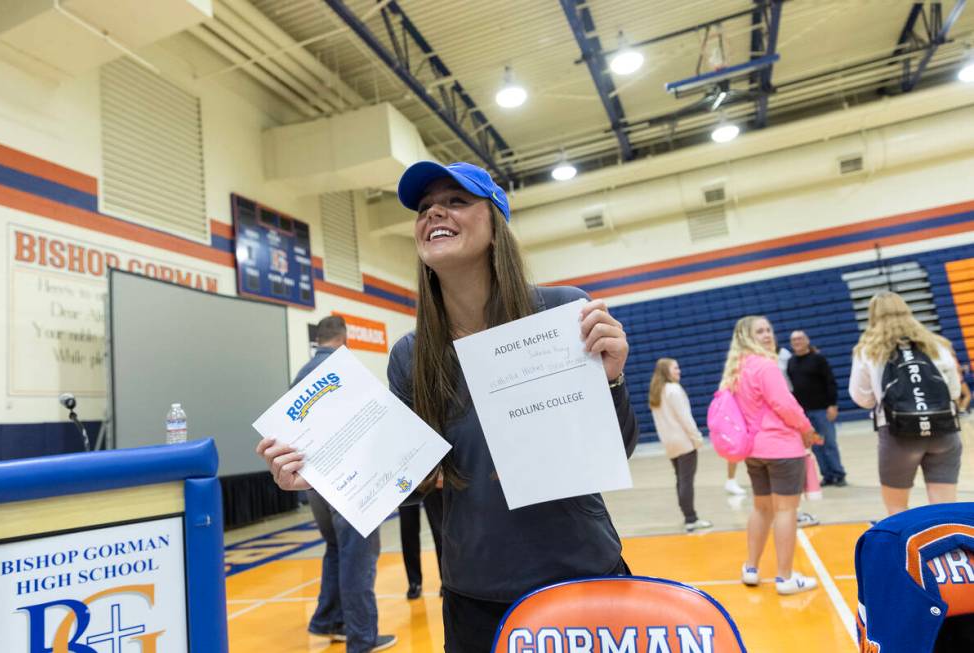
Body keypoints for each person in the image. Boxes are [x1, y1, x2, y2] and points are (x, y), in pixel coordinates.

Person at [257, 161, 639, 653]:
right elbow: (413, 484)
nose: (435, 210)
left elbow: (616, 449)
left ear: (496, 225)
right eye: (424, 207)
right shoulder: (411, 355)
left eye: (457, 200)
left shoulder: (564, 311)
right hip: (474, 595)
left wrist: (611, 380)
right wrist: (329, 474)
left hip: (582, 578)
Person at [288, 316, 396, 653]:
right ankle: (361, 638)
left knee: (336, 548)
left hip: (313, 480)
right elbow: (368, 425)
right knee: (358, 554)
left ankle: (328, 619)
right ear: (344, 339)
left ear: (319, 339)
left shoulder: (301, 376)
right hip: (347, 481)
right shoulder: (345, 370)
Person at [720, 315, 819, 595]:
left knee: (761, 508)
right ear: (747, 337)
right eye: (759, 331)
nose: (767, 335)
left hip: (754, 451)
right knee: (786, 510)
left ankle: (751, 568)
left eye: (768, 330)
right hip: (782, 448)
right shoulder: (765, 366)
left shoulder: (737, 370)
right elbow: (784, 403)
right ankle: (785, 577)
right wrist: (807, 428)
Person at [848, 291, 963, 516]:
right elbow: (954, 390)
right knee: (946, 510)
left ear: (873, 316)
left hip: (899, 434)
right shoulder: (936, 345)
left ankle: (907, 551)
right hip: (943, 429)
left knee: (898, 510)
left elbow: (861, 397)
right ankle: (948, 550)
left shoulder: (869, 350)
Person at [648, 358, 712, 532]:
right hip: (683, 441)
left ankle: (688, 516)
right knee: (686, 481)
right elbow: (685, 418)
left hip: (669, 443)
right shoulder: (674, 390)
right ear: (666, 371)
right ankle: (691, 519)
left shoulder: (657, 391)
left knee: (680, 480)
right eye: (675, 368)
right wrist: (697, 438)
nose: (679, 371)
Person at [787, 330, 847, 487]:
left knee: (829, 444)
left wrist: (832, 405)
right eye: (794, 340)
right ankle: (827, 475)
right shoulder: (791, 362)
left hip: (822, 411)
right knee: (817, 445)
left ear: (807, 340)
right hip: (805, 414)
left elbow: (830, 382)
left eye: (800, 339)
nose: (797, 342)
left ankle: (838, 474)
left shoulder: (818, 359)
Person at [398, 488, 443, 599]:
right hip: (404, 477)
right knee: (408, 529)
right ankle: (414, 582)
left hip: (430, 475)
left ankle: (446, 579)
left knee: (440, 529)